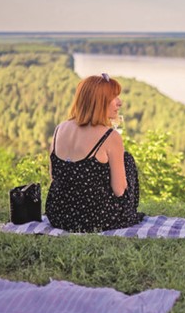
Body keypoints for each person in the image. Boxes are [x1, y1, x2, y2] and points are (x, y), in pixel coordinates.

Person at [45, 73, 144, 232]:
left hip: (58, 214)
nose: (120, 102)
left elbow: (54, 176)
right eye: (114, 98)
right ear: (99, 101)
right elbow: (119, 191)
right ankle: (128, 212)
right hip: (95, 219)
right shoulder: (110, 136)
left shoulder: (59, 129)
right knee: (127, 159)